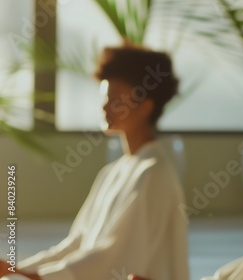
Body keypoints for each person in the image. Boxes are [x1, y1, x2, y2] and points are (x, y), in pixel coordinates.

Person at [0, 44, 189, 280]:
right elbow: (75, 245)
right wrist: (17, 270)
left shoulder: (154, 173)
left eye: (116, 98)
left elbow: (112, 259)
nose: (104, 106)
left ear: (145, 106)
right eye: (105, 97)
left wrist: (31, 275)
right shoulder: (112, 172)